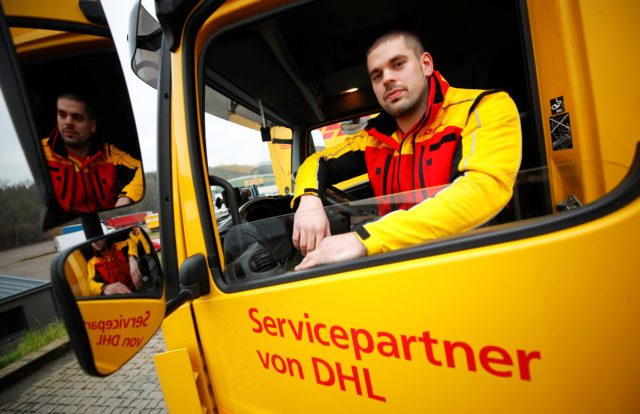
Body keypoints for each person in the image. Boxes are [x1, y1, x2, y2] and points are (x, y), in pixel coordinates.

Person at [292, 30, 522, 270]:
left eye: (398, 64)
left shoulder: (482, 108)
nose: (387, 79)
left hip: (472, 263)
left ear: (426, 64)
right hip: (397, 264)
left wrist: (364, 239)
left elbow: (482, 192)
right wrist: (309, 200)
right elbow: (317, 161)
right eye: (377, 76)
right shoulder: (373, 137)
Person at [41, 92, 143, 213]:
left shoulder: (109, 154)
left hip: (105, 220)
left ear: (92, 126)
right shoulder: (41, 152)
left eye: (77, 117)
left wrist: (127, 197)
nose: (68, 122)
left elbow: (142, 170)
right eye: (62, 115)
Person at [83, 230, 144, 296]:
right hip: (119, 298)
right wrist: (105, 288)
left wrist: (132, 259)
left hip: (139, 290)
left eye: (97, 239)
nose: (95, 243)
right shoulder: (92, 263)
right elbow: (91, 284)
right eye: (91, 242)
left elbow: (131, 241)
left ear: (104, 238)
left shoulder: (119, 246)